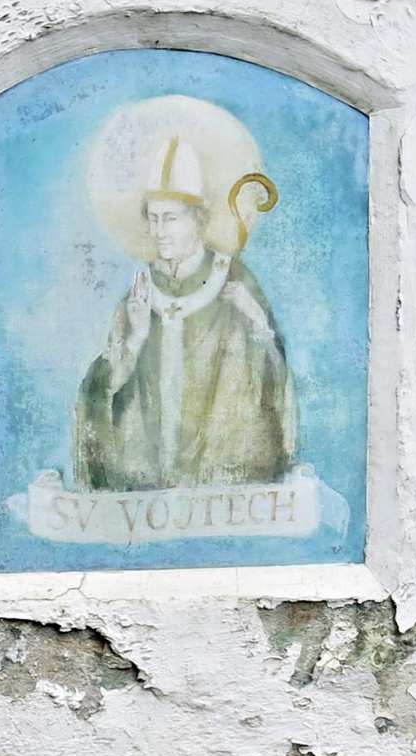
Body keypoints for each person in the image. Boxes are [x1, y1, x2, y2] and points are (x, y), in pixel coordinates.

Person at [73, 137, 297, 491]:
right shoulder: (140, 292)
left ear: (198, 219)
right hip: (148, 484)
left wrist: (256, 322)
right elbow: (101, 395)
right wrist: (135, 339)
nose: (159, 232)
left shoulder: (235, 282)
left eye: (171, 218)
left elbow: (271, 383)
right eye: (153, 219)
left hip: (221, 479)